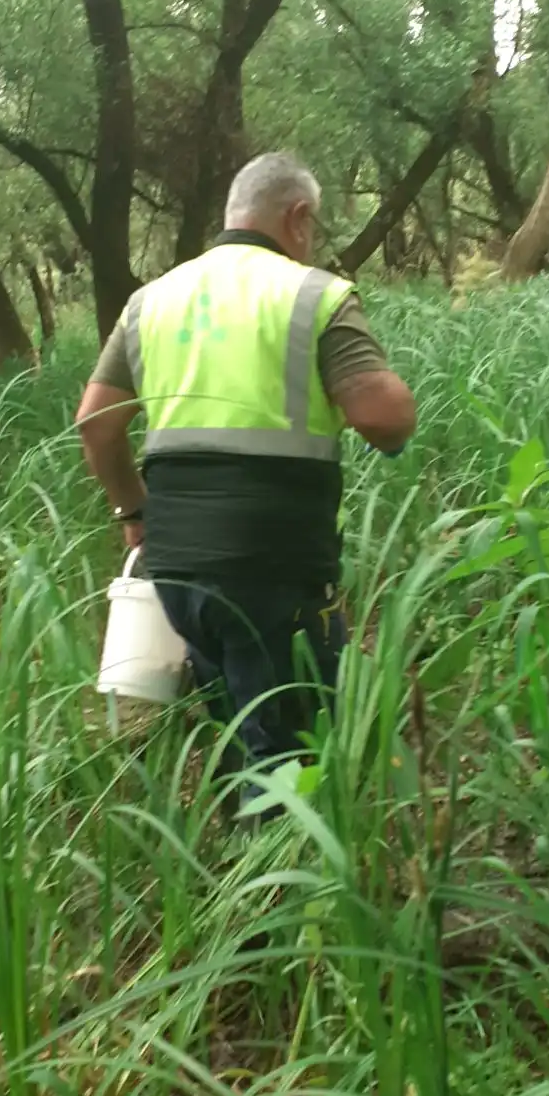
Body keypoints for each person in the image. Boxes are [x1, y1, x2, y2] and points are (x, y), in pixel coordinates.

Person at [77, 152, 416, 811]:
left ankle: (239, 877)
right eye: (311, 227)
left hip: (175, 565)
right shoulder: (315, 295)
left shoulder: (150, 302)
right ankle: (282, 894)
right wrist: (400, 412)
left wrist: (132, 511)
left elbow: (95, 424)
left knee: (237, 722)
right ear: (298, 217)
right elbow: (381, 417)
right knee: (294, 747)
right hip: (276, 564)